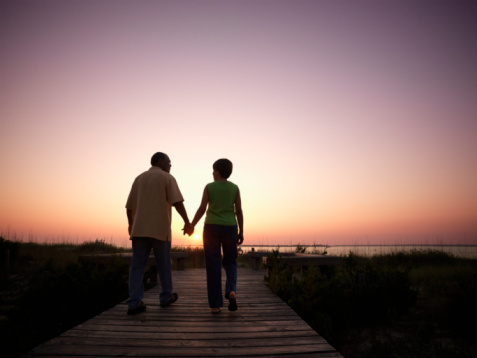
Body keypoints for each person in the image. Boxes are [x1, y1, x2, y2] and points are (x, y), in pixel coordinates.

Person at [125, 152, 193, 315]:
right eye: (169, 162)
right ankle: (165, 297)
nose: (170, 165)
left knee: (137, 267)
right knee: (164, 265)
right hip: (159, 230)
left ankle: (134, 303)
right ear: (161, 161)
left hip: (139, 230)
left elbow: (129, 206)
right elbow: (177, 202)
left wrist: (131, 224)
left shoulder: (139, 178)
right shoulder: (166, 178)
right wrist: (187, 222)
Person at [190, 158, 244, 313]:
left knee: (213, 265)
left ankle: (215, 305)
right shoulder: (235, 188)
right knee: (230, 261)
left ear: (218, 171)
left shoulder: (209, 187)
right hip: (230, 227)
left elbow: (201, 209)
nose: (212, 173)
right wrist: (241, 231)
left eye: (213, 170)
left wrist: (192, 225)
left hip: (211, 227)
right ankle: (231, 290)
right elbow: (239, 211)